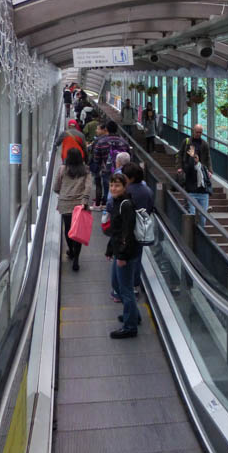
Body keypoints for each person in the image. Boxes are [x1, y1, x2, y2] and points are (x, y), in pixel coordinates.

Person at [106, 173, 140, 339]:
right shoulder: (116, 202)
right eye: (112, 185)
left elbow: (127, 232)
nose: (113, 188)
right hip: (119, 250)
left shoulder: (125, 204)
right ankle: (133, 314)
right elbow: (116, 230)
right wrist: (110, 249)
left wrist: (122, 256)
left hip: (125, 253)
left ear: (124, 187)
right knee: (117, 285)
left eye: (117, 186)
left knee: (125, 289)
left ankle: (130, 326)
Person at [53, 148, 90, 271]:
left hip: (65, 203)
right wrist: (84, 200)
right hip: (79, 204)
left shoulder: (62, 169)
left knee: (68, 229)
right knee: (77, 232)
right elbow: (88, 187)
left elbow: (56, 186)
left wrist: (63, 193)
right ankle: (76, 259)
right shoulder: (85, 170)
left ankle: (71, 251)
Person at [123, 162, 154, 293]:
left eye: (125, 176)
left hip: (127, 229)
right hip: (142, 230)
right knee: (137, 256)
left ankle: (125, 284)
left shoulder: (127, 191)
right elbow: (151, 208)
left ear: (132, 178)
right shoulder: (147, 190)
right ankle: (135, 284)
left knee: (126, 256)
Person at [92, 121, 130, 211]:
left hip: (107, 171)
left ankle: (108, 210)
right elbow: (129, 156)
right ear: (117, 129)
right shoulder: (123, 141)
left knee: (108, 190)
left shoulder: (101, 142)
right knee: (121, 190)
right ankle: (119, 208)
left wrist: (100, 165)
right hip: (122, 172)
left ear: (106, 129)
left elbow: (96, 158)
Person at [182, 141, 210, 227]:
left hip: (203, 193)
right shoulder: (187, 165)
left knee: (203, 217)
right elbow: (189, 169)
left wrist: (197, 162)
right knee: (192, 215)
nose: (194, 158)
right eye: (193, 156)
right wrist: (191, 158)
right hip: (192, 193)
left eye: (195, 156)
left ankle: (201, 234)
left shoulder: (202, 166)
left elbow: (206, 178)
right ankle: (192, 234)